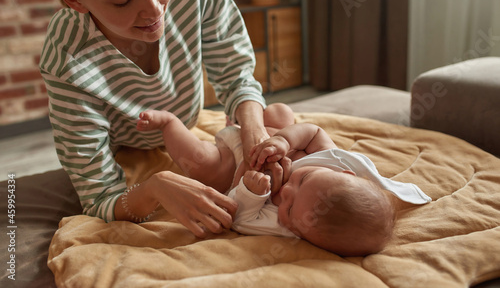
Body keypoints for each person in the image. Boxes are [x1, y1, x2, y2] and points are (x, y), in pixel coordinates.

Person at [39, 0, 272, 238]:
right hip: (126, 151)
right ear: (73, 1)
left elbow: (236, 74)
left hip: (188, 123)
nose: (154, 9)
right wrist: (154, 188)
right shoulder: (67, 59)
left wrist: (254, 129)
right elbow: (99, 198)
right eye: (122, 1)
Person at [137, 104, 432, 256]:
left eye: (288, 209)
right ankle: (240, 122)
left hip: (232, 165)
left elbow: (239, 218)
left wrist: (252, 192)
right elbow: (313, 132)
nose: (285, 191)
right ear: (344, 174)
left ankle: (168, 123)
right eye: (301, 182)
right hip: (266, 135)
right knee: (281, 112)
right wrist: (282, 141)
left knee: (199, 163)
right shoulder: (333, 160)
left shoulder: (281, 226)